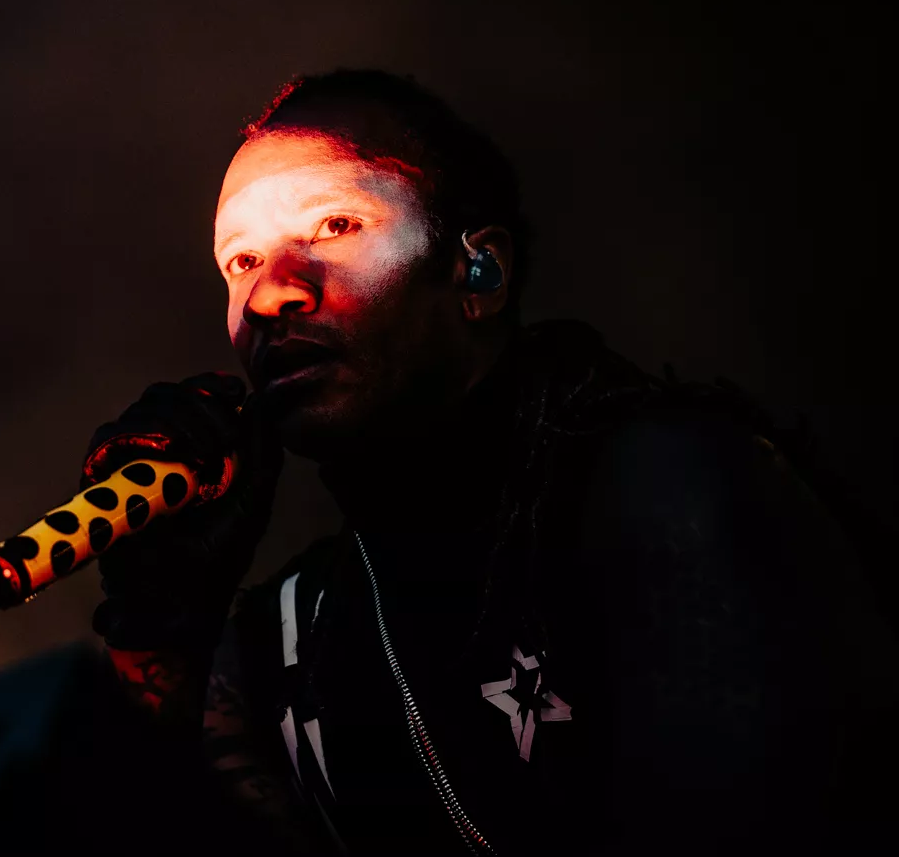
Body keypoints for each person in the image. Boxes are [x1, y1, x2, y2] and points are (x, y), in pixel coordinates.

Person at [77, 70, 893, 855]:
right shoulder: (287, 637)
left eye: (335, 226)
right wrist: (161, 620)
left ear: (480, 271)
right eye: (241, 261)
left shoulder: (667, 485)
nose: (269, 295)